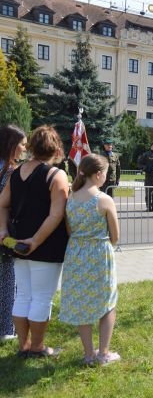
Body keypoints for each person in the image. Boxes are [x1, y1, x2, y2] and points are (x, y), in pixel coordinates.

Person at [0, 125, 69, 359]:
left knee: (23, 296)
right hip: (46, 245)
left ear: (31, 147)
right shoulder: (56, 175)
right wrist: (36, 241)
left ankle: (24, 346)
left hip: (17, 242)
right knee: (41, 297)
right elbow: (56, 214)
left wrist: (2, 231)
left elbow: (2, 204)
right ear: (55, 148)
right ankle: (37, 347)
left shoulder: (15, 173)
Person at [60, 154, 120, 366]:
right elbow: (115, 235)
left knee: (81, 301)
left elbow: (69, 230)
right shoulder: (104, 199)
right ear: (98, 174)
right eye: (105, 173)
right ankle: (103, 353)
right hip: (99, 253)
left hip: (75, 252)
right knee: (107, 302)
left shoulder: (71, 198)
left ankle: (88, 354)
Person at [0, 125, 27, 343]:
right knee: (8, 280)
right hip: (5, 233)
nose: (25, 148)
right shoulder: (10, 172)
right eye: (22, 144)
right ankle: (6, 328)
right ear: (11, 145)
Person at [137, 141, 153, 212]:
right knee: (148, 192)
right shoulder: (146, 154)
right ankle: (149, 207)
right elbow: (139, 163)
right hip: (149, 176)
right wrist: (145, 168)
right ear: (151, 146)